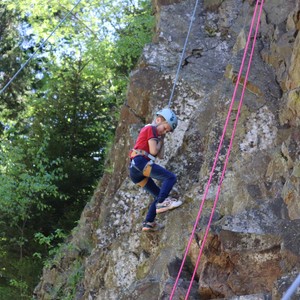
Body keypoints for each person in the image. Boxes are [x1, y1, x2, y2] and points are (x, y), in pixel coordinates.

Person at [129, 108, 182, 232]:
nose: (164, 132)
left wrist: (161, 138)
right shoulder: (151, 128)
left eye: (167, 131)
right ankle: (162, 203)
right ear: (158, 120)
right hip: (140, 162)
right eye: (164, 128)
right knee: (170, 177)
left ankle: (149, 222)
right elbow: (153, 151)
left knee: (158, 194)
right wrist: (158, 138)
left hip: (135, 170)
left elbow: (161, 155)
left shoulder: (155, 133)